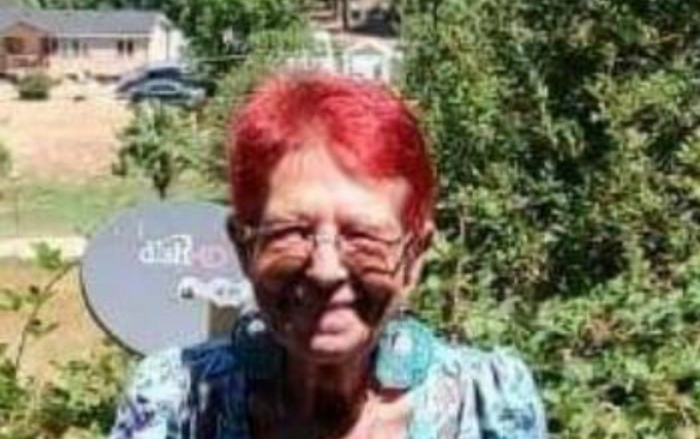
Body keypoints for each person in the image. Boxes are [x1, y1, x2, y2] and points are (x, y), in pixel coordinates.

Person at [110, 72, 547, 439]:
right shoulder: (177, 405)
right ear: (244, 248)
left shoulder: (487, 407)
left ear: (415, 256)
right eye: (291, 233)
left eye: (363, 236)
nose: (325, 270)